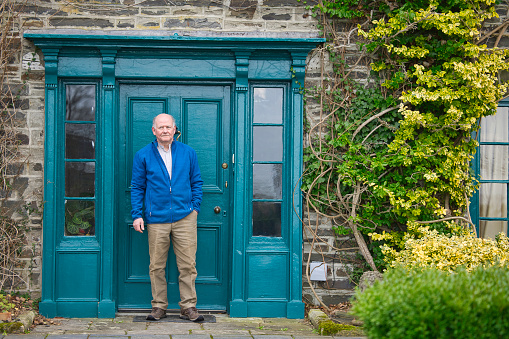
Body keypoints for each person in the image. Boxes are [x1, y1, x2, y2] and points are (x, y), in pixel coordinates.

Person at [130, 113, 204, 322]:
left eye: (168, 127)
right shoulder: (143, 155)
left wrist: (194, 208)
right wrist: (137, 215)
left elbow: (197, 182)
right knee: (157, 265)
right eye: (160, 127)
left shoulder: (188, 152)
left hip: (185, 217)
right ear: (154, 131)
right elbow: (137, 187)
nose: (164, 130)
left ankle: (188, 307)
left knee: (188, 265)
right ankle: (159, 306)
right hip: (156, 218)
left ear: (174, 130)